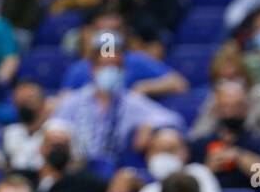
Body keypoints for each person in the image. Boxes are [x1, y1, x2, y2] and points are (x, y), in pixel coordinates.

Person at [50, 46, 184, 162]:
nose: (110, 70)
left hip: (116, 165)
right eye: (105, 65)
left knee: (168, 137)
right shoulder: (74, 101)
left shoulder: (131, 101)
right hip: (77, 164)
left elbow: (173, 119)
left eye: (115, 66)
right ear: (93, 69)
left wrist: (152, 127)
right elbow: (52, 128)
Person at [130, 127, 226, 192]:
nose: (163, 156)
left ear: (185, 152)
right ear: (148, 155)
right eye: (157, 150)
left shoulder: (199, 173)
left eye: (170, 150)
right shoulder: (148, 191)